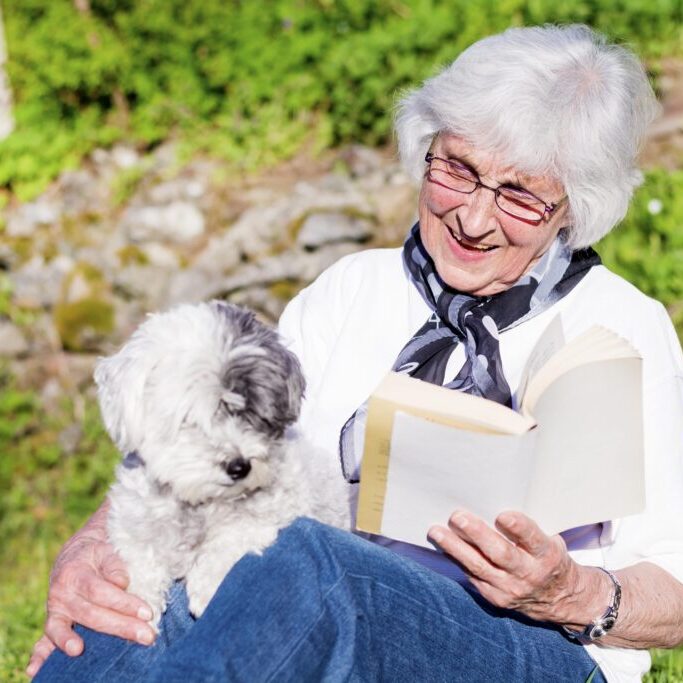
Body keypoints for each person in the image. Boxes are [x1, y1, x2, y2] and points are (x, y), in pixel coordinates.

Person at [28, 24, 683, 683]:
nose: (474, 218)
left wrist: (568, 590)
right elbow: (216, 447)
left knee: (300, 560)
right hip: (320, 604)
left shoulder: (622, 326)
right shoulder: (351, 288)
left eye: (517, 195)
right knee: (153, 598)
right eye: (457, 169)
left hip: (532, 650)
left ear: (573, 208)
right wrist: (90, 546)